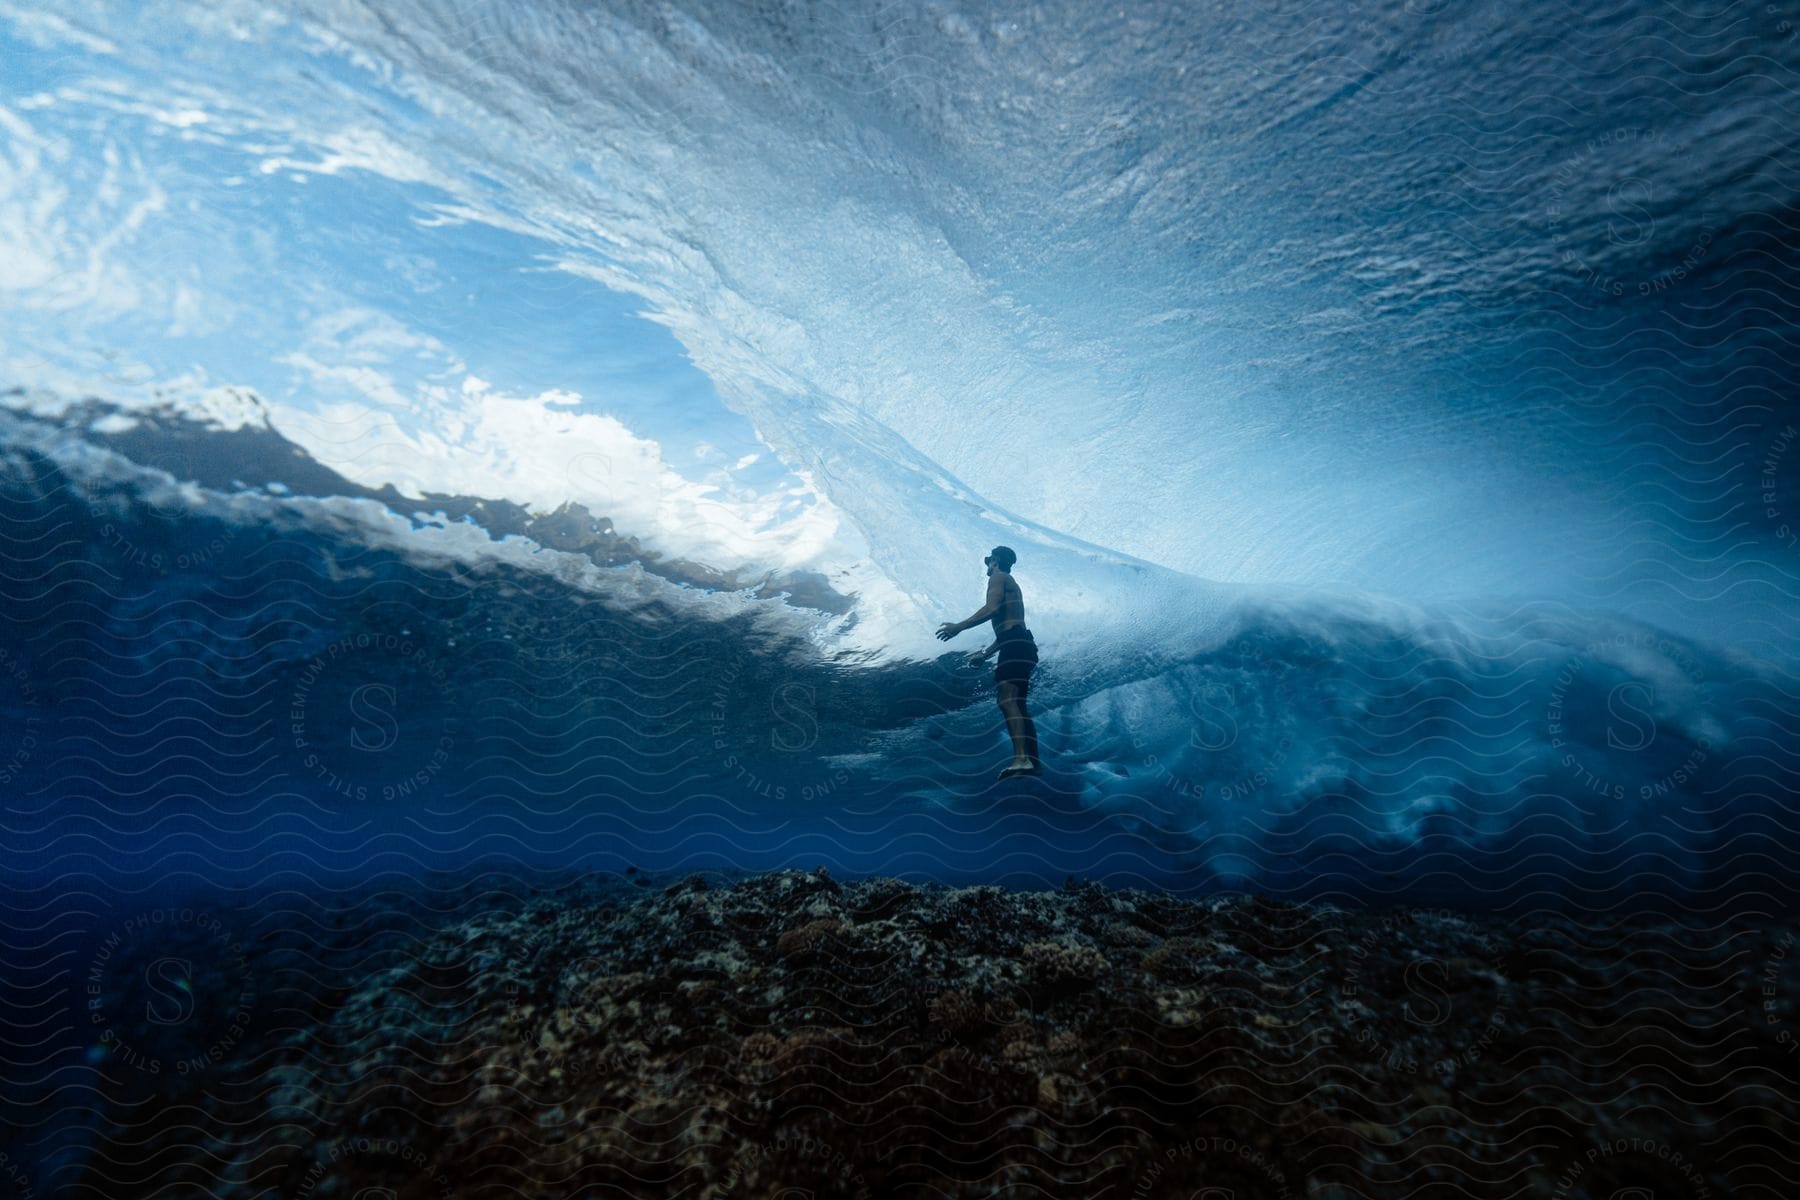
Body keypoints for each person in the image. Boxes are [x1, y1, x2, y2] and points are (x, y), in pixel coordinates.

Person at [936, 545, 1041, 779]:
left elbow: (992, 609)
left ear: (995, 561)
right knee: (1018, 704)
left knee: (1006, 700)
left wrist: (959, 627)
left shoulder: (998, 577)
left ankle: (1022, 759)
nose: (987, 566)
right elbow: (1010, 629)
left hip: (1016, 645)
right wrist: (985, 654)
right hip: (1021, 644)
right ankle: (1032, 762)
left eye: (988, 561)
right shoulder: (1010, 581)